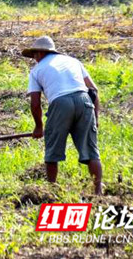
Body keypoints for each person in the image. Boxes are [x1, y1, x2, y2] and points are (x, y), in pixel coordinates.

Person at [23, 36, 103, 195]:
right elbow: (93, 90)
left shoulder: (37, 71)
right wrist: (95, 117)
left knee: (52, 150)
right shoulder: (73, 61)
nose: (34, 59)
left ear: (39, 53)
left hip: (60, 104)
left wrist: (39, 127)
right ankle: (98, 191)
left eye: (34, 56)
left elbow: (35, 103)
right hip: (84, 100)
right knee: (91, 151)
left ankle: (51, 191)